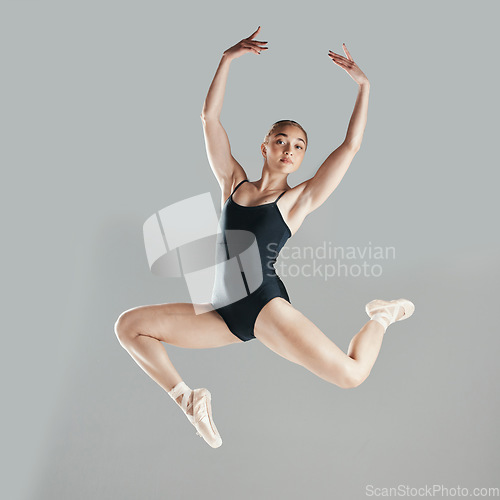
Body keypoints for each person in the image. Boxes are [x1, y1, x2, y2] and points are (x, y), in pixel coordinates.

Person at [114, 26, 415, 449]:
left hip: (263, 305)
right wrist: (227, 58)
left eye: (298, 146)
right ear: (265, 147)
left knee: (351, 375)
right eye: (281, 141)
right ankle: (189, 400)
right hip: (221, 312)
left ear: (302, 157)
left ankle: (382, 315)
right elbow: (209, 119)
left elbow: (350, 147)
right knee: (130, 326)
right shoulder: (233, 184)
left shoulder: (296, 202)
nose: (289, 149)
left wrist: (364, 85)